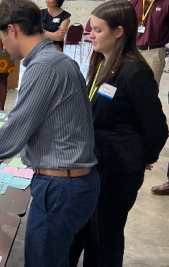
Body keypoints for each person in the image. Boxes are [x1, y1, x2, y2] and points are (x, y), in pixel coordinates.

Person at [0, 0, 100, 266]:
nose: (2, 46)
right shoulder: (59, 61)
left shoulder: (44, 67)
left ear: (12, 30)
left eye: (2, 38)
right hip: (72, 183)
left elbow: (20, 123)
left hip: (60, 188)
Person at [68, 1, 168, 266]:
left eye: (97, 31)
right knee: (87, 229)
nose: (90, 36)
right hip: (96, 163)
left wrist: (141, 157)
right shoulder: (102, 63)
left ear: (119, 32)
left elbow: (157, 127)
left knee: (106, 238)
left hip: (118, 171)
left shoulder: (135, 72)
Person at [131, 0, 169, 87]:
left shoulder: (166, 3)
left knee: (150, 87)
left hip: (154, 52)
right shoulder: (135, 2)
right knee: (130, 84)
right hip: (133, 50)